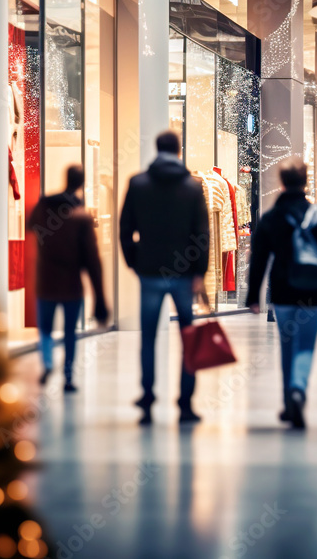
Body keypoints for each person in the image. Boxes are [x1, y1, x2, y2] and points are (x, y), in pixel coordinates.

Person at [119, 131, 208, 425]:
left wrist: (135, 261)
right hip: (183, 273)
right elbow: (202, 235)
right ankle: (185, 403)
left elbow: (125, 229)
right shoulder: (192, 188)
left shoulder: (138, 183)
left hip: (150, 270)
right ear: (178, 150)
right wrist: (199, 272)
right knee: (188, 336)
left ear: (157, 150)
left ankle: (147, 398)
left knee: (148, 337)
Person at [246, 161, 317, 429]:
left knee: (287, 346)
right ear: (306, 181)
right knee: (306, 346)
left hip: (283, 290)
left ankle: (288, 402)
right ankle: (298, 388)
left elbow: (259, 259)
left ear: (282, 181)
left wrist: (253, 295)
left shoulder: (272, 217)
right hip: (313, 290)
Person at [28, 165, 109, 392]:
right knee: (70, 332)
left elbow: (30, 225)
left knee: (45, 327)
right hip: (71, 283)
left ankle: (47, 363)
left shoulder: (45, 207)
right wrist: (99, 296)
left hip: (46, 280)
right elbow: (92, 261)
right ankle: (68, 376)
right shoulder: (81, 217)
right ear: (81, 183)